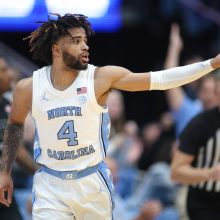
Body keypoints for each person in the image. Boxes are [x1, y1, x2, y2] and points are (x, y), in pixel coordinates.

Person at [0, 13, 219, 219]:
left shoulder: (100, 78)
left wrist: (212, 64)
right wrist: (5, 171)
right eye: (76, 41)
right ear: (56, 49)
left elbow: (162, 79)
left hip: (91, 182)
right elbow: (15, 124)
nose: (85, 46)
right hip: (51, 184)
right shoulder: (28, 88)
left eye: (85, 40)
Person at [171, 71, 220, 220]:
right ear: (216, 94)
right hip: (204, 203)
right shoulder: (200, 124)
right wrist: (210, 174)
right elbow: (176, 172)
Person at [0, 56, 40, 219]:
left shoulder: (5, 105)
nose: (11, 75)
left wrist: (44, 175)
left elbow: (17, 150)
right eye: (3, 70)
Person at [164, 23, 217, 138]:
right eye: (205, 90)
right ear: (199, 94)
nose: (208, 95)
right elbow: (168, 80)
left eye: (213, 91)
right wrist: (174, 47)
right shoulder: (189, 111)